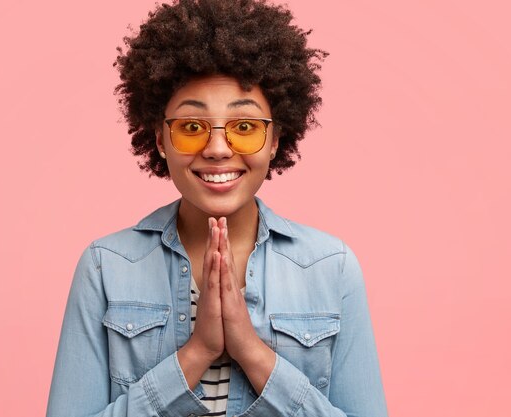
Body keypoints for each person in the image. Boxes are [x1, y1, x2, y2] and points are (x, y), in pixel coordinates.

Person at [45, 0, 388, 416]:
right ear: (160, 140)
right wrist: (196, 354)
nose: (218, 149)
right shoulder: (106, 268)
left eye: (245, 127)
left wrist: (253, 353)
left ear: (276, 139)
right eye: (192, 128)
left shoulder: (331, 268)